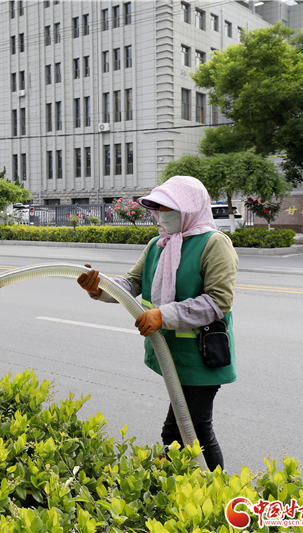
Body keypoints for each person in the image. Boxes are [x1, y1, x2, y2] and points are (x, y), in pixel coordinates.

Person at [76, 176, 239, 471]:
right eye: (159, 208)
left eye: (169, 208)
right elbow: (131, 283)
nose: (162, 215)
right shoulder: (158, 245)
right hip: (173, 356)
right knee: (199, 430)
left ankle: (194, 491)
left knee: (177, 434)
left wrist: (163, 315)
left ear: (190, 208)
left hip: (203, 358)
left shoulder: (214, 243)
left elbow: (218, 301)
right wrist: (99, 287)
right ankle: (216, 491)